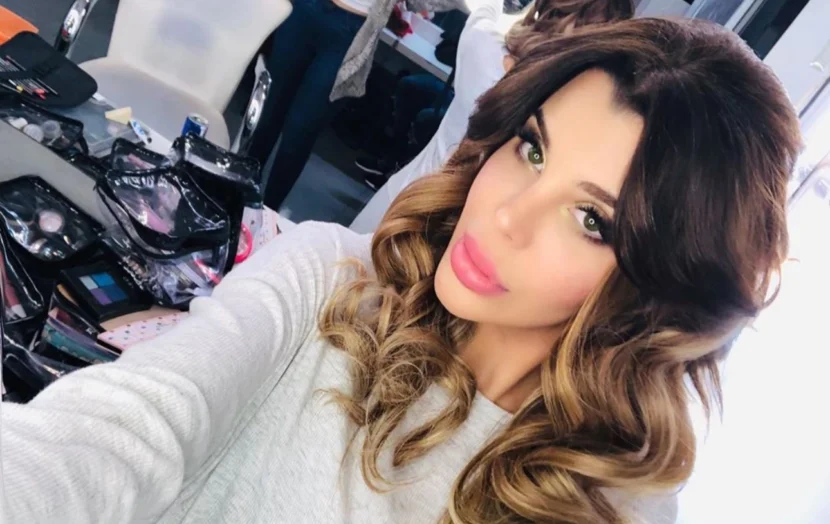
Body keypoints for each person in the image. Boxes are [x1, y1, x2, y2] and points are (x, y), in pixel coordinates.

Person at [1, 18, 801, 524]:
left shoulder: (614, 497)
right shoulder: (331, 279)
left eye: (591, 220)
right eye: (531, 149)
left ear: (659, 287)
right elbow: (120, 431)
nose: (505, 214)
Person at [350, 0, 635, 233]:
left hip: (408, 194)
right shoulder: (569, 112)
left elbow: (484, 9)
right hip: (473, 229)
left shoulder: (483, 47)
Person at [246, 0, 464, 212]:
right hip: (304, 10)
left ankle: (266, 214)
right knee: (267, 112)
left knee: (299, 132)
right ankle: (237, 191)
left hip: (352, 32)